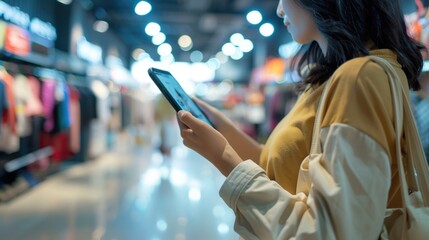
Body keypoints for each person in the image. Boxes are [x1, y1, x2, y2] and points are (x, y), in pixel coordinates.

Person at [176, 0, 427, 239]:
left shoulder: (358, 77)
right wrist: (222, 129)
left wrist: (224, 157)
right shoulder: (333, 78)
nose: (279, 10)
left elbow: (333, 232)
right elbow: (279, 167)